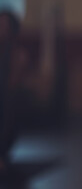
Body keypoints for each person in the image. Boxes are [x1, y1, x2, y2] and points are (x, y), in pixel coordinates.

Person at [0, 10, 28, 183]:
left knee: (9, 104)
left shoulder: (17, 54)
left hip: (6, 103)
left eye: (4, 26)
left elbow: (11, 88)